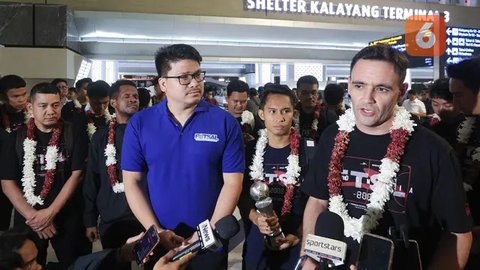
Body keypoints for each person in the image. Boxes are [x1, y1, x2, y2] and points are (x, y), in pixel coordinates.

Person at [301, 44, 472, 270]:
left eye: (381, 88)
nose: (367, 98)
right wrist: (308, 258)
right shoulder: (333, 135)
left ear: (401, 91)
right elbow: (318, 201)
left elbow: (458, 234)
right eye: (359, 85)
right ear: (349, 85)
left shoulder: (433, 150)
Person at [121, 44, 244, 270]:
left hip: (210, 239)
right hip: (161, 239)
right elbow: (132, 183)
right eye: (185, 77)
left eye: (198, 75)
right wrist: (156, 231)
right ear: (163, 83)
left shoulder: (225, 123)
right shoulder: (140, 124)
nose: (195, 83)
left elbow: (232, 183)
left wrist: (207, 232)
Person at [0, 83, 91, 268]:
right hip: (29, 218)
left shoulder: (74, 133)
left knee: (75, 264)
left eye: (55, 105)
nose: (50, 111)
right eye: (43, 106)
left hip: (68, 216)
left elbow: (77, 175)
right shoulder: (15, 138)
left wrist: (50, 213)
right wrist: (36, 218)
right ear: (30, 107)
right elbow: (7, 183)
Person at [239, 84, 307, 270]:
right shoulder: (250, 151)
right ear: (262, 114)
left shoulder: (309, 152)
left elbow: (316, 200)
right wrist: (255, 218)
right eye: (273, 111)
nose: (280, 118)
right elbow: (241, 195)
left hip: (295, 238)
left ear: (294, 113)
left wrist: (300, 233)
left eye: (286, 111)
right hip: (258, 238)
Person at [83, 79, 144, 270]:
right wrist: (90, 220)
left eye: (135, 96)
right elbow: (92, 179)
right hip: (113, 217)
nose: (133, 100)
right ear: (113, 102)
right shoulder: (101, 136)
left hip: (145, 215)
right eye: (127, 96)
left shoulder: (149, 132)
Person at [0, 75, 29, 232]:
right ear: (4, 98)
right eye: (16, 96)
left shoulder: (33, 111)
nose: (22, 99)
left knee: (25, 225)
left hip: (28, 176)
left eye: (24, 94)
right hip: (4, 176)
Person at [295, 75, 337, 142]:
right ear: (297, 94)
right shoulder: (290, 115)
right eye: (305, 93)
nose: (310, 96)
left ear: (317, 94)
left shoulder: (329, 116)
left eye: (313, 92)